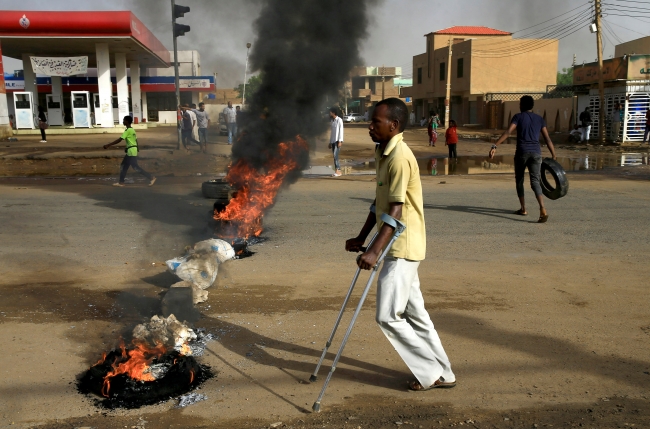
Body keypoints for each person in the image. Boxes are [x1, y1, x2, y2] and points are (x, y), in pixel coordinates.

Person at [346, 98, 456, 392]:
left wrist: (374, 251)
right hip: (396, 244)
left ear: (393, 125)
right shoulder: (383, 151)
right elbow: (378, 203)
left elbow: (395, 210)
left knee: (386, 316)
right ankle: (444, 371)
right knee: (416, 315)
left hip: (402, 246)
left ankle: (430, 372)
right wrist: (362, 238)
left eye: (375, 122)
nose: (369, 126)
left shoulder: (399, 157)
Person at [490, 95, 557, 223]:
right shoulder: (540, 119)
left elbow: (508, 132)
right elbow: (547, 139)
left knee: (519, 180)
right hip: (536, 154)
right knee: (535, 182)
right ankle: (542, 209)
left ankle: (523, 208)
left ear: (522, 105)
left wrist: (495, 145)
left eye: (520, 103)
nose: (519, 106)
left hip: (522, 153)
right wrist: (553, 155)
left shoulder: (518, 117)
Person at [103, 115, 156, 187]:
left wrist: (108, 145)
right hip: (132, 150)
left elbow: (120, 139)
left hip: (131, 151)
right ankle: (121, 182)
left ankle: (151, 177)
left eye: (124, 120)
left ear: (127, 121)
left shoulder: (128, 130)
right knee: (127, 166)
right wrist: (134, 148)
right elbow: (135, 140)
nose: (123, 121)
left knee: (132, 167)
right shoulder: (132, 130)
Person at [329, 107, 344, 177]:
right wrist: (330, 142)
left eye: (330, 112)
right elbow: (332, 132)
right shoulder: (332, 121)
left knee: (336, 155)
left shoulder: (339, 120)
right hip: (333, 141)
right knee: (335, 156)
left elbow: (341, 131)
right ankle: (337, 171)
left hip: (338, 141)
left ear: (333, 113)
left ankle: (338, 170)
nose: (329, 113)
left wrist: (340, 141)